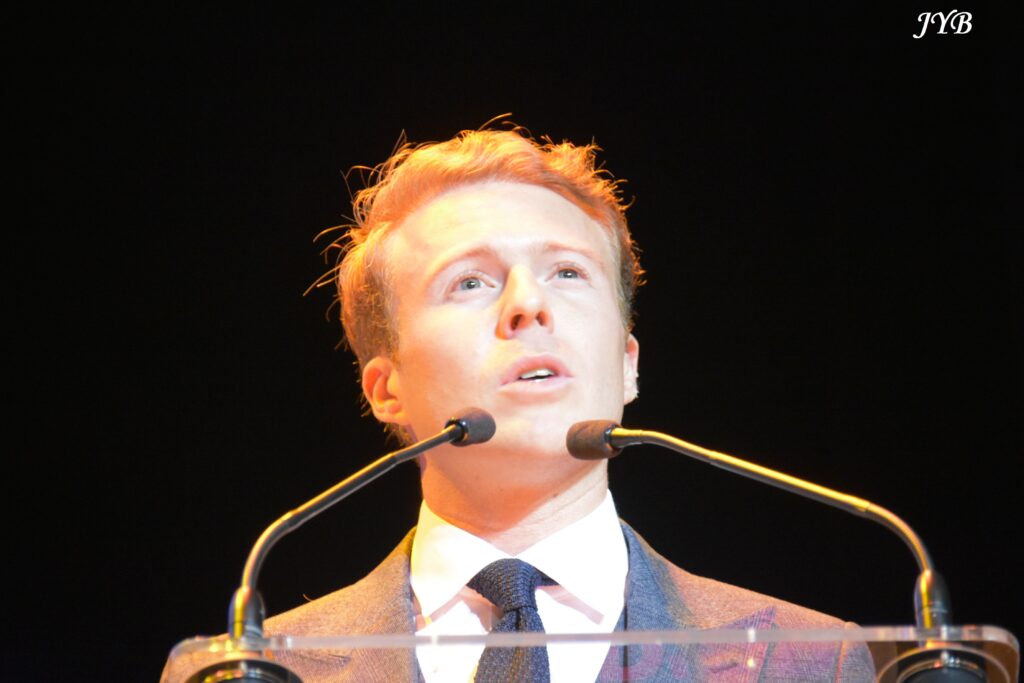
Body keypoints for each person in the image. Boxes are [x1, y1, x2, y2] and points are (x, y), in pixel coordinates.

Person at [166, 126, 873, 682]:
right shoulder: (250, 672)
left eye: (567, 271)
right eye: (470, 282)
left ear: (627, 364)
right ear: (386, 388)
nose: (529, 304)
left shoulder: (809, 661)